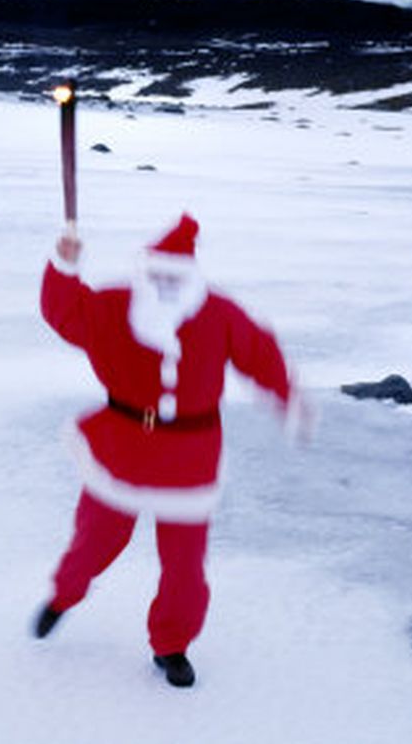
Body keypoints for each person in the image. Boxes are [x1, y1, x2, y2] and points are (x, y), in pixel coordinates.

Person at [33, 213, 308, 688]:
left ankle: (172, 645)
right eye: (156, 273)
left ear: (190, 278)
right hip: (122, 449)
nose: (163, 283)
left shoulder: (219, 314)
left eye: (172, 277)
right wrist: (64, 265)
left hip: (189, 460)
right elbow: (65, 314)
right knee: (95, 543)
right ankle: (63, 596)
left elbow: (259, 352)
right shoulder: (116, 305)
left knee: (184, 567)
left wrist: (287, 396)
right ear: (146, 270)